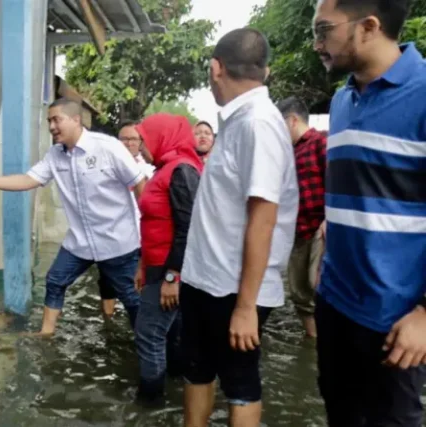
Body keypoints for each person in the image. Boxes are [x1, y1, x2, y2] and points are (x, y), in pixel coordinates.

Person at [312, 0, 426, 424]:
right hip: (335, 304)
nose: (317, 44)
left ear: (369, 26)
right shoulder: (342, 101)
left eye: (323, 30)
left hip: (395, 322)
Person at [179, 28, 298, 427]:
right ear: (265, 71)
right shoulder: (236, 120)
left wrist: (246, 308)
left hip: (235, 288)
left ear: (216, 68)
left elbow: (263, 218)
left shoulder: (258, 124)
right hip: (205, 277)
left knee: (240, 382)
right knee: (196, 369)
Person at [0, 98, 146, 335]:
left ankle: (144, 342)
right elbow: (28, 179)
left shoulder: (107, 147)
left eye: (56, 120)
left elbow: (140, 183)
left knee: (131, 297)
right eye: (49, 121)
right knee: (55, 280)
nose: (52, 126)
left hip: (117, 241)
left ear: (76, 120)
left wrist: (147, 230)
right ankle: (46, 334)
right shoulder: (55, 155)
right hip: (80, 242)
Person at [132, 113, 202, 405]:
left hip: (170, 269)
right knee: (171, 331)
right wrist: (142, 265)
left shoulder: (181, 170)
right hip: (157, 265)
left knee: (149, 332)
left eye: (143, 140)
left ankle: (150, 401)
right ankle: (175, 390)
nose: (140, 147)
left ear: (161, 137)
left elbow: (189, 228)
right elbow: (153, 223)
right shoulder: (165, 169)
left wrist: (173, 277)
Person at [275, 96, 326, 339]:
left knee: (319, 284)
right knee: (298, 291)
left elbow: (337, 181)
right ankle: (313, 340)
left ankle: (330, 340)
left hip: (320, 226)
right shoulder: (286, 153)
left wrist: (330, 219)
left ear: (293, 120)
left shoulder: (321, 142)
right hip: (296, 230)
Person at [94, 121, 156, 319]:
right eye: (124, 139)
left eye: (133, 139)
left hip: (141, 234)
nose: (129, 143)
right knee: (107, 282)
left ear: (141, 142)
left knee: (138, 283)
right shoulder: (104, 165)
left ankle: (139, 322)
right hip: (112, 233)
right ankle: (108, 321)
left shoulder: (150, 168)